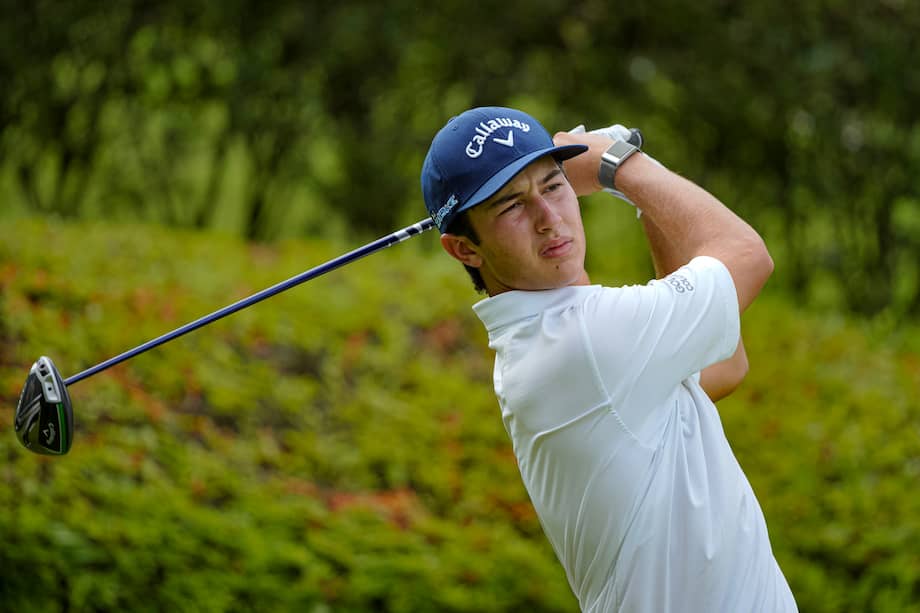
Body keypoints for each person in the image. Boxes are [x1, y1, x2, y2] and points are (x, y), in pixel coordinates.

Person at [420, 106, 797, 612]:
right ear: (465, 249)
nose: (549, 219)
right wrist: (621, 165)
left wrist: (635, 188)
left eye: (553, 186)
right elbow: (748, 255)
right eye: (512, 206)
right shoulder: (580, 342)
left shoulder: (550, 340)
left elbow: (722, 371)